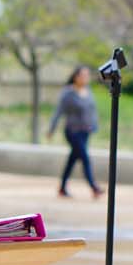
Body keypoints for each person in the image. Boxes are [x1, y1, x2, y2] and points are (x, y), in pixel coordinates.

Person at [47, 65, 103, 198]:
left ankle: (62, 187)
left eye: (87, 75)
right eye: (83, 75)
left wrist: (94, 125)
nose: (85, 78)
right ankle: (93, 187)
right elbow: (59, 111)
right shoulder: (68, 93)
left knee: (72, 160)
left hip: (85, 132)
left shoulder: (87, 90)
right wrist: (52, 129)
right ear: (76, 77)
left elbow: (92, 110)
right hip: (73, 131)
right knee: (85, 158)